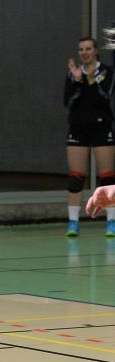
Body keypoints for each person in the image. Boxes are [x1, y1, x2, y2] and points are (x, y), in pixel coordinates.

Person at [64, 36, 115, 237]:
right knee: (75, 177)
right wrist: (77, 80)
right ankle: (73, 223)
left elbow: (104, 97)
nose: (84, 52)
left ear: (95, 51)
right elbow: (67, 102)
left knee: (108, 178)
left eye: (88, 49)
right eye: (81, 49)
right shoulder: (73, 74)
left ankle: (111, 222)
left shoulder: (107, 71)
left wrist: (90, 80)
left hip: (102, 128)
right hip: (78, 129)